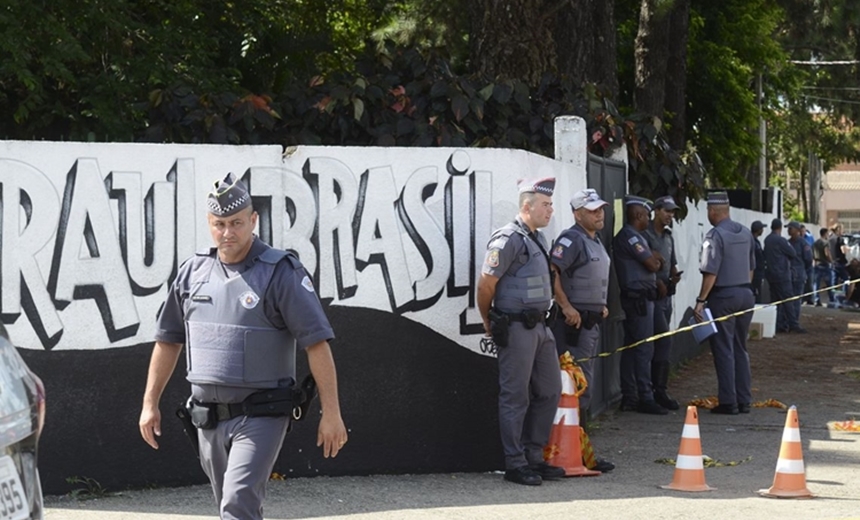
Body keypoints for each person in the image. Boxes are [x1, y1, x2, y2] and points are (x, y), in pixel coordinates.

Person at [139, 173, 347, 519]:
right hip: (207, 417)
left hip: (261, 414)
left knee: (237, 503)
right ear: (209, 223)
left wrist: (332, 413)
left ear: (254, 220)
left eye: (236, 222)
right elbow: (168, 340)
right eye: (219, 224)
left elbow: (317, 344)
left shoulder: (281, 273)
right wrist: (150, 403)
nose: (227, 232)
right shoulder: (194, 272)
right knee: (231, 507)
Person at [477, 177, 563, 486]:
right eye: (545, 205)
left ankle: (534, 457)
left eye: (551, 205)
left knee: (551, 390)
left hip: (541, 327)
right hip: (516, 328)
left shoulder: (537, 237)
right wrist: (489, 320)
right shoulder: (509, 238)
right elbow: (486, 284)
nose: (550, 210)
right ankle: (515, 463)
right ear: (526, 207)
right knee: (515, 396)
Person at [550, 188, 615, 473]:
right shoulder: (572, 239)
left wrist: (598, 306)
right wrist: (566, 306)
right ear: (577, 214)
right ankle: (568, 452)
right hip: (573, 327)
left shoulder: (594, 240)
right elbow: (553, 272)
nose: (599, 214)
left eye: (600, 209)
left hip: (590, 322)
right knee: (575, 387)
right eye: (592, 210)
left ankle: (580, 451)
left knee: (583, 387)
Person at [693, 191, 756, 415]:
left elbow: (710, 273)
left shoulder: (715, 236)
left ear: (712, 211)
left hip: (724, 297)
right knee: (741, 347)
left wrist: (701, 301)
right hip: (745, 294)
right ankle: (744, 399)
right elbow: (751, 268)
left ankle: (729, 402)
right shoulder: (746, 233)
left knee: (723, 349)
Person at [612, 195, 667, 415]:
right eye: (647, 215)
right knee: (643, 348)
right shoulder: (631, 237)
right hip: (638, 299)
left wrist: (655, 258)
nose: (649, 219)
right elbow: (652, 265)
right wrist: (656, 259)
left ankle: (632, 395)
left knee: (635, 347)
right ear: (638, 215)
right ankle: (644, 396)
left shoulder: (637, 236)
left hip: (644, 298)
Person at [642, 195, 683, 411]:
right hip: (653, 295)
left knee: (663, 342)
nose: (670, 215)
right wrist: (658, 281)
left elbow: (673, 263)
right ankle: (654, 390)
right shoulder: (645, 234)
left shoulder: (669, 237)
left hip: (667, 296)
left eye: (672, 212)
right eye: (667, 211)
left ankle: (660, 389)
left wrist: (675, 276)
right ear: (656, 210)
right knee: (660, 341)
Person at [764, 219, 800, 333]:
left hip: (771, 275)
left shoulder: (767, 239)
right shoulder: (780, 240)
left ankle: (777, 324)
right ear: (779, 228)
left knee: (775, 302)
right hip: (782, 275)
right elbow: (793, 253)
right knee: (788, 300)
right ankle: (793, 324)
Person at [787, 221, 811, 333]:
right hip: (788, 274)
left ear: (797, 230)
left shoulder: (803, 243)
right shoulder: (787, 243)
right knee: (789, 299)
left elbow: (808, 260)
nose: (788, 230)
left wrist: (802, 271)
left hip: (799, 274)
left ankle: (794, 323)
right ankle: (788, 322)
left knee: (796, 299)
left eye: (790, 228)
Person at [830, 223, 854, 304]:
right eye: (842, 229)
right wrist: (850, 249)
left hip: (833, 263)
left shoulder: (830, 238)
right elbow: (843, 250)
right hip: (841, 262)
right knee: (846, 280)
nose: (842, 231)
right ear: (838, 230)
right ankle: (845, 298)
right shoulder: (839, 239)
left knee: (834, 282)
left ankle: (833, 300)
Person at [812, 227, 833, 307]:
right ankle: (832, 300)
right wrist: (831, 261)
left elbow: (812, 254)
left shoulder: (815, 243)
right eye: (827, 233)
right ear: (825, 234)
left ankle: (816, 300)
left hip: (817, 264)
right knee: (829, 284)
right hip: (825, 264)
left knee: (816, 284)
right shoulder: (825, 243)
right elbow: (827, 253)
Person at [750, 221, 766, 303]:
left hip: (757, 273)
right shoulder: (752, 241)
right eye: (762, 229)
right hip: (755, 274)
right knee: (755, 294)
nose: (763, 230)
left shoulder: (756, 242)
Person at [801, 225, 815, 304]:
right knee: (802, 282)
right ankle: (803, 298)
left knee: (810, 282)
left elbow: (813, 249)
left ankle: (810, 299)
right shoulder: (798, 239)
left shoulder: (810, 238)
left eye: (804, 231)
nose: (803, 233)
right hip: (801, 264)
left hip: (809, 263)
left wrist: (813, 259)